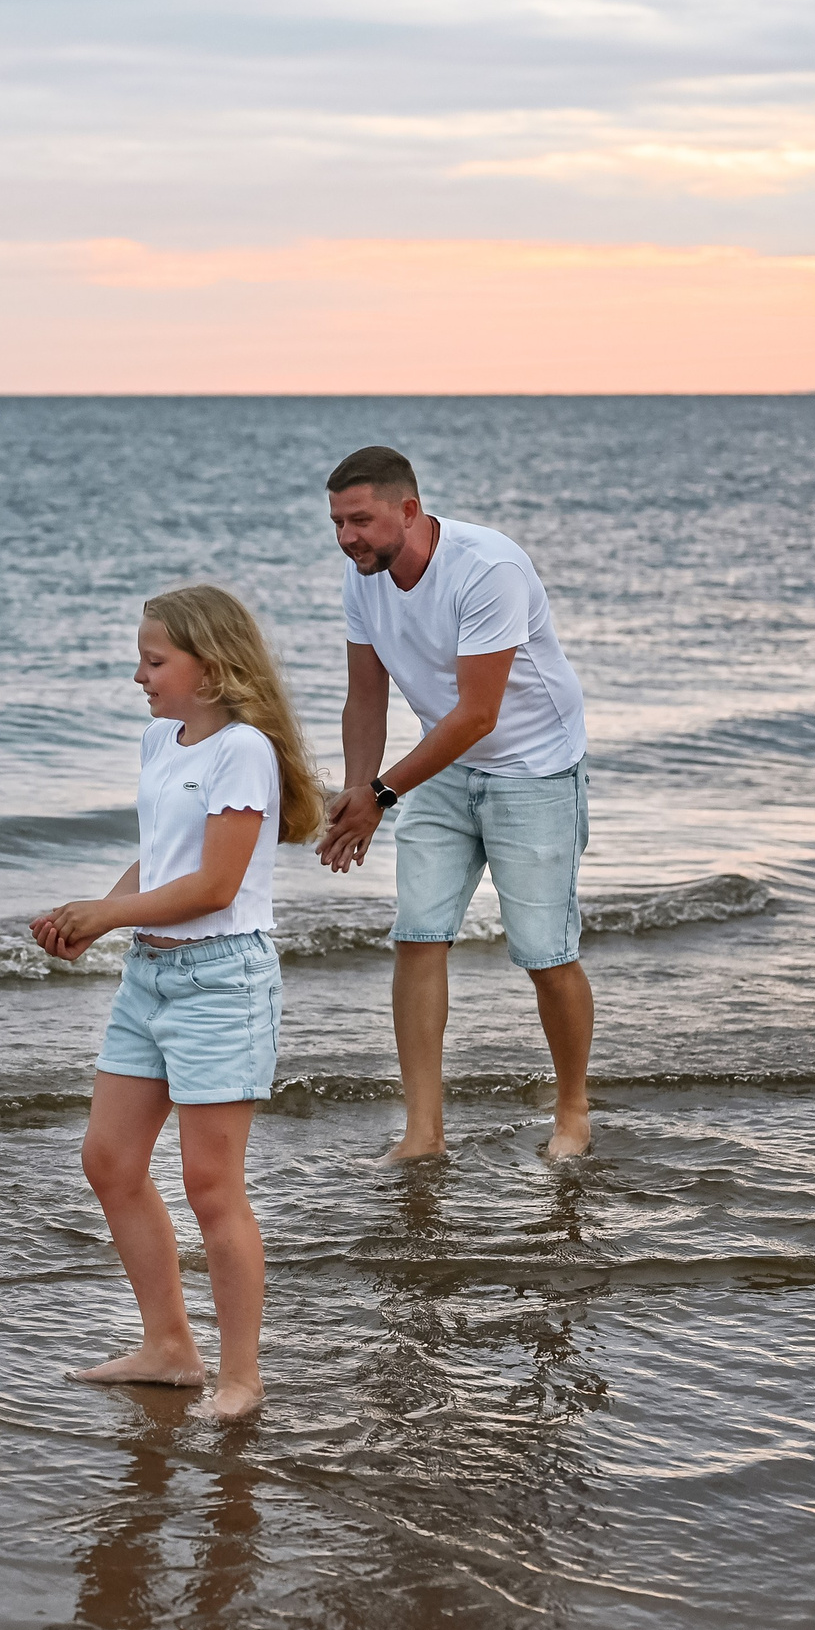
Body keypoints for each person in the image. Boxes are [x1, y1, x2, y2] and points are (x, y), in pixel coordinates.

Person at [29, 585, 323, 1422]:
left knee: (211, 1186)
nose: (139, 675)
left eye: (155, 661)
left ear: (212, 666)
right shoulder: (164, 737)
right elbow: (160, 864)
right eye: (142, 658)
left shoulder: (244, 751)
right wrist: (90, 919)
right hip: (149, 976)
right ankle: (168, 1348)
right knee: (109, 1161)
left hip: (222, 981)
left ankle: (241, 1376)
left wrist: (109, 914)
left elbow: (216, 885)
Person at [315, 445, 594, 1162]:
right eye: (339, 522)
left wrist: (382, 793)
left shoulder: (486, 567)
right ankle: (423, 1134)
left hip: (532, 768)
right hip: (439, 766)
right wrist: (357, 788)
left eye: (362, 520)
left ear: (409, 510)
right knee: (417, 935)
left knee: (544, 952)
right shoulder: (364, 579)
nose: (349, 537)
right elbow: (365, 696)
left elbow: (478, 715)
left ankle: (572, 1113)